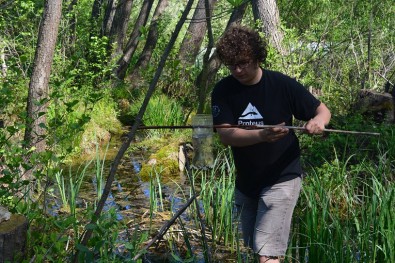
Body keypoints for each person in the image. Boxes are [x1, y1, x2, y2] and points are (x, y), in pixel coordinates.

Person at [211, 25, 331, 263]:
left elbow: (322, 110)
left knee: (267, 253)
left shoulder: (282, 85)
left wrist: (318, 122)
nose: (237, 69)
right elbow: (226, 135)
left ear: (257, 57)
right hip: (247, 182)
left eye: (243, 62)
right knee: (254, 246)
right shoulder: (223, 90)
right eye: (231, 64)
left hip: (282, 178)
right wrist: (261, 135)